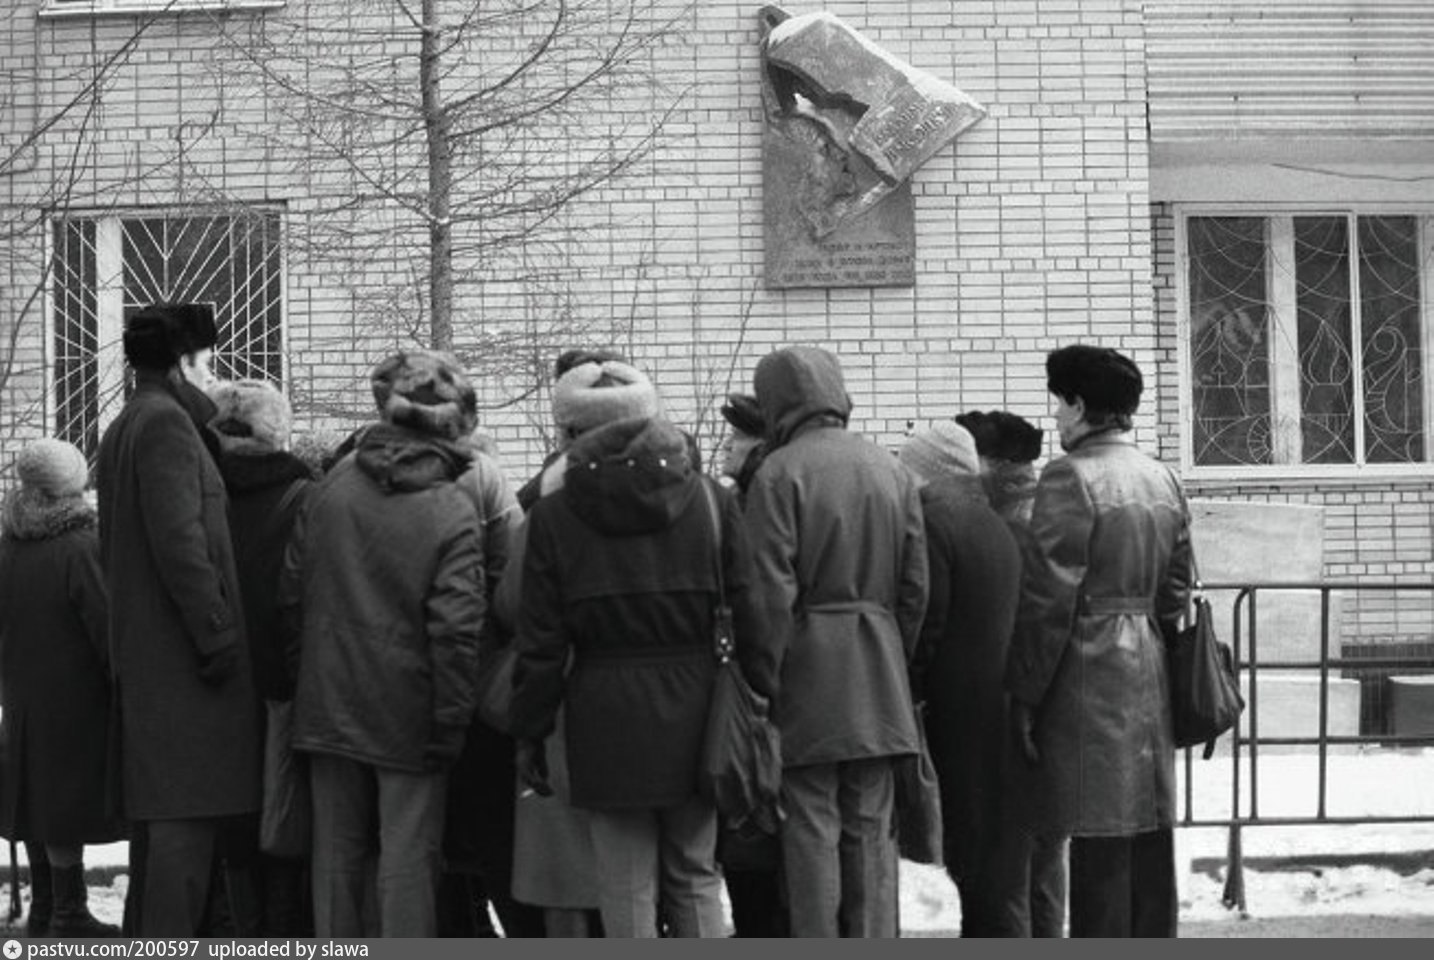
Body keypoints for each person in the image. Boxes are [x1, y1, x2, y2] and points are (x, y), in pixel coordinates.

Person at [508, 359, 768, 938]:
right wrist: (763, 694)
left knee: (623, 882)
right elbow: (753, 613)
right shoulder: (710, 502)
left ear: (573, 431)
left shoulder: (554, 516)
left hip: (603, 714)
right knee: (695, 871)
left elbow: (542, 642)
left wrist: (530, 730)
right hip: (700, 705)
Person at [279, 349, 484, 937]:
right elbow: (456, 630)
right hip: (410, 711)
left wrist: (305, 680)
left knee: (336, 856)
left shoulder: (331, 487)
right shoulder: (452, 509)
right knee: (408, 858)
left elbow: (291, 594)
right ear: (455, 426)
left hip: (328, 698)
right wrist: (450, 723)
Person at [1006, 345, 1193, 938]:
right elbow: (1177, 589)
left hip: (1089, 668)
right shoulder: (1161, 476)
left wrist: (1025, 695)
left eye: (1059, 403)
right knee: (1148, 833)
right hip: (1150, 663)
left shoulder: (1070, 477)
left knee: (1098, 836)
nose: (1055, 418)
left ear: (1080, 404)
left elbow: (1047, 602)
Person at [742, 345, 928, 938]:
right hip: (878, 664)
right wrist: (894, 652)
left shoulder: (779, 472)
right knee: (872, 827)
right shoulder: (890, 467)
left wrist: (762, 680)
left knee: (810, 827)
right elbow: (915, 586)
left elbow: (769, 593)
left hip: (805, 670)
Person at [95, 303, 263, 937]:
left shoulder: (130, 422)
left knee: (165, 841)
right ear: (183, 361)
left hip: (157, 665)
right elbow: (179, 542)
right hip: (184, 671)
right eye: (206, 358)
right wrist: (217, 632)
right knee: (181, 843)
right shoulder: (166, 424)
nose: (213, 370)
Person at [898, 421, 1024, 937]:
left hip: (955, 709)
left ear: (927, 469)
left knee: (972, 853)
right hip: (992, 701)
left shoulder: (935, 524)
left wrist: (911, 688)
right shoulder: (989, 521)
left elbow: (928, 619)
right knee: (991, 856)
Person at [206, 379, 317, 937]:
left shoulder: (199, 495)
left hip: (212, 678)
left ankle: (235, 928)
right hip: (283, 677)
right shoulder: (306, 496)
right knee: (285, 813)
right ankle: (283, 929)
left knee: (231, 817)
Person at [0, 439, 122, 937]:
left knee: (35, 797)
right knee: (64, 803)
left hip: (24, 695)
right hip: (76, 699)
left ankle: (49, 906)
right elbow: (106, 626)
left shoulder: (8, 547)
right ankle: (68, 912)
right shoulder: (81, 547)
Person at [955, 408, 1068, 938]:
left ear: (992, 463)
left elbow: (1031, 621)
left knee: (1012, 862)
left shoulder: (1009, 524)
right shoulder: (1051, 509)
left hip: (1018, 702)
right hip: (1056, 697)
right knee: (1044, 852)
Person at [711, 391, 785, 938]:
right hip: (766, 675)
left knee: (749, 815)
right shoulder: (746, 495)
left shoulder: (752, 500)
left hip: (751, 678)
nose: (727, 448)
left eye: (737, 437)